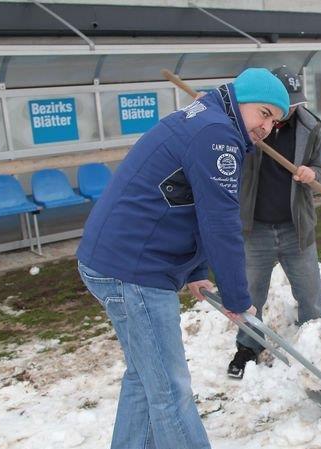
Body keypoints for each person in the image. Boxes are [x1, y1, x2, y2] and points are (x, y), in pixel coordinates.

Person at [76, 68, 289, 449]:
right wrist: (238, 298)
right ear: (241, 101)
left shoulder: (207, 118)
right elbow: (220, 221)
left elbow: (188, 202)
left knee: (146, 377)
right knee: (170, 389)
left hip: (115, 260)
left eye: (275, 121)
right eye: (264, 113)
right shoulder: (217, 136)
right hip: (135, 270)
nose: (269, 127)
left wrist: (194, 270)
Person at [227, 66, 321, 379]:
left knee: (310, 294)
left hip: (296, 227)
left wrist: (313, 174)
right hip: (254, 228)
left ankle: (318, 347)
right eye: (286, 103)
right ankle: (247, 347)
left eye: (296, 103)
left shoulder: (310, 127)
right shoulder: (247, 126)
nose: (290, 110)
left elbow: (320, 168)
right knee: (251, 294)